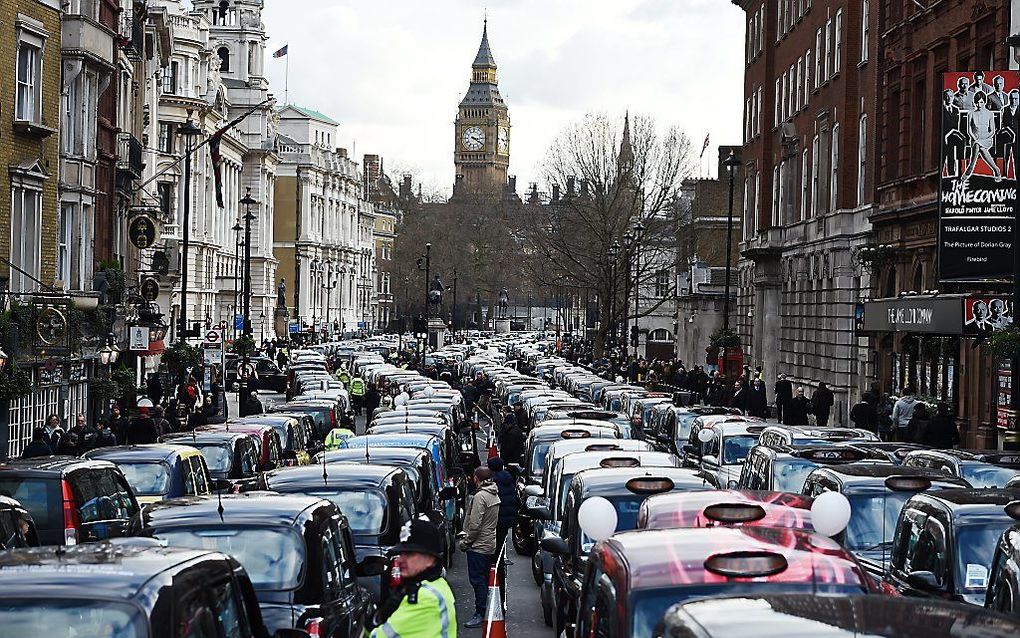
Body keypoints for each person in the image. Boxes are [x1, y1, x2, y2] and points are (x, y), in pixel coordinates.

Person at [367, 517, 457, 638]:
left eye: (409, 554)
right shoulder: (438, 584)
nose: (400, 559)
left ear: (430, 559)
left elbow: (378, 636)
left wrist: (372, 619)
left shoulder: (424, 596)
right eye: (401, 553)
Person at [458, 466, 500, 628]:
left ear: (478, 478)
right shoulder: (493, 494)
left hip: (478, 545)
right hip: (489, 542)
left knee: (478, 581)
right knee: (484, 579)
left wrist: (466, 542)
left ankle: (480, 612)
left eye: (474, 476)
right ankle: (486, 610)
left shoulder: (480, 497)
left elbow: (475, 525)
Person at [962, 91, 1002, 184]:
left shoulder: (990, 114)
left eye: (981, 102)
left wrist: (983, 139)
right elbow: (969, 130)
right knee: (979, 147)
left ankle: (970, 167)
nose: (979, 104)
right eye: (977, 102)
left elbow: (992, 131)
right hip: (974, 139)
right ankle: (996, 170)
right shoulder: (971, 113)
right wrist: (974, 138)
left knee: (979, 146)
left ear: (984, 102)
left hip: (987, 140)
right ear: (975, 102)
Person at [487, 457, 519, 564]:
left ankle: (496, 567)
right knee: (502, 541)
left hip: (497, 518)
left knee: (495, 545)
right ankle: (501, 563)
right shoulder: (508, 480)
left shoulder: (494, 483)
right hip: (508, 517)